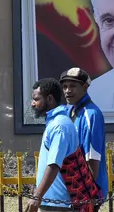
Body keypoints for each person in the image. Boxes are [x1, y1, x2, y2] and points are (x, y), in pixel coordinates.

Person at [26, 78, 79, 212]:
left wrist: (37, 196)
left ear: (49, 99)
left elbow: (54, 164)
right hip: (52, 202)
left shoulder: (59, 125)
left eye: (36, 99)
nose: (33, 104)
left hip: (57, 205)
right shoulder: (55, 122)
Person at [59, 67, 109, 206]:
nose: (68, 91)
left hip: (87, 192)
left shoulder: (91, 114)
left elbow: (93, 157)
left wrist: (88, 194)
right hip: (74, 189)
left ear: (85, 87)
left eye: (73, 86)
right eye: (65, 86)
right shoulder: (70, 110)